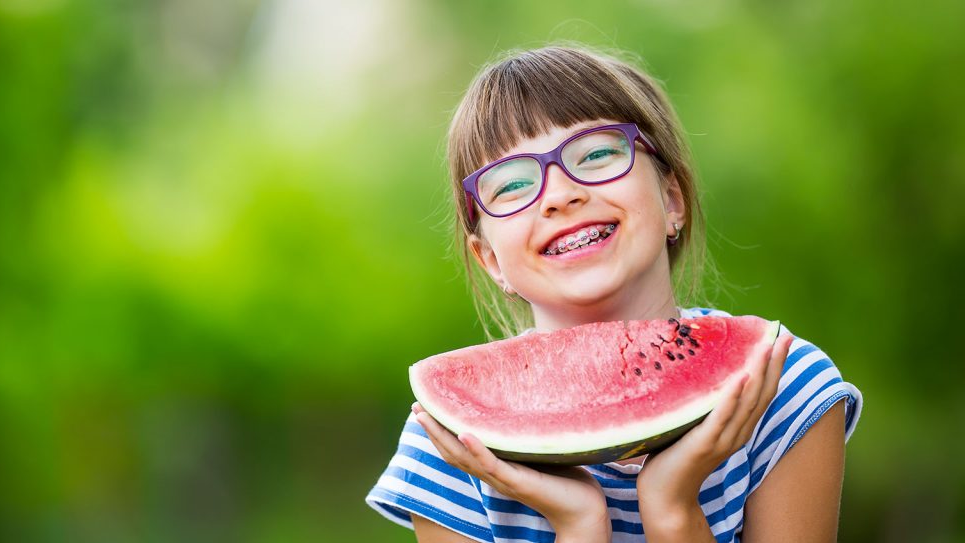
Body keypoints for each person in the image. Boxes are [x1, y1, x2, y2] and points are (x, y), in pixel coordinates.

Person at [365, 45, 863, 543]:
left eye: (598, 153)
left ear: (672, 200)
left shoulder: (783, 388)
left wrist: (672, 510)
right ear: (492, 261)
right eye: (512, 184)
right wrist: (579, 527)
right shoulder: (452, 444)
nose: (560, 195)